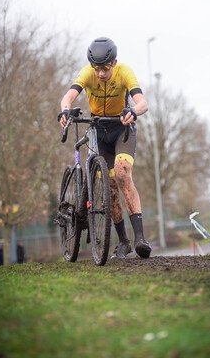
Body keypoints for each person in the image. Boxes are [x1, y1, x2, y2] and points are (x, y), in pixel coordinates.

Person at [59, 37, 151, 259]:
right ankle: (124, 242)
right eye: (96, 68)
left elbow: (143, 103)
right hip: (98, 131)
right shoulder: (87, 73)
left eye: (105, 68)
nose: (100, 73)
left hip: (121, 129)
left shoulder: (125, 72)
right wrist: (64, 110)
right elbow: (69, 95)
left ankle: (140, 239)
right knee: (109, 186)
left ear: (114, 62)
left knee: (122, 174)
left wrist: (134, 112)